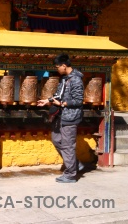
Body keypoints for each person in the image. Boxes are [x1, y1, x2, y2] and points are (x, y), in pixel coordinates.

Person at [37, 53, 84, 183]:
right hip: (60, 116)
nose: (57, 69)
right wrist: (48, 100)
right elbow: (58, 95)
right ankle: (75, 164)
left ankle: (70, 175)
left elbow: (78, 100)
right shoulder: (64, 79)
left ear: (64, 65)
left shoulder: (76, 80)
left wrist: (62, 104)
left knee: (68, 145)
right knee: (57, 140)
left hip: (70, 116)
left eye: (58, 66)